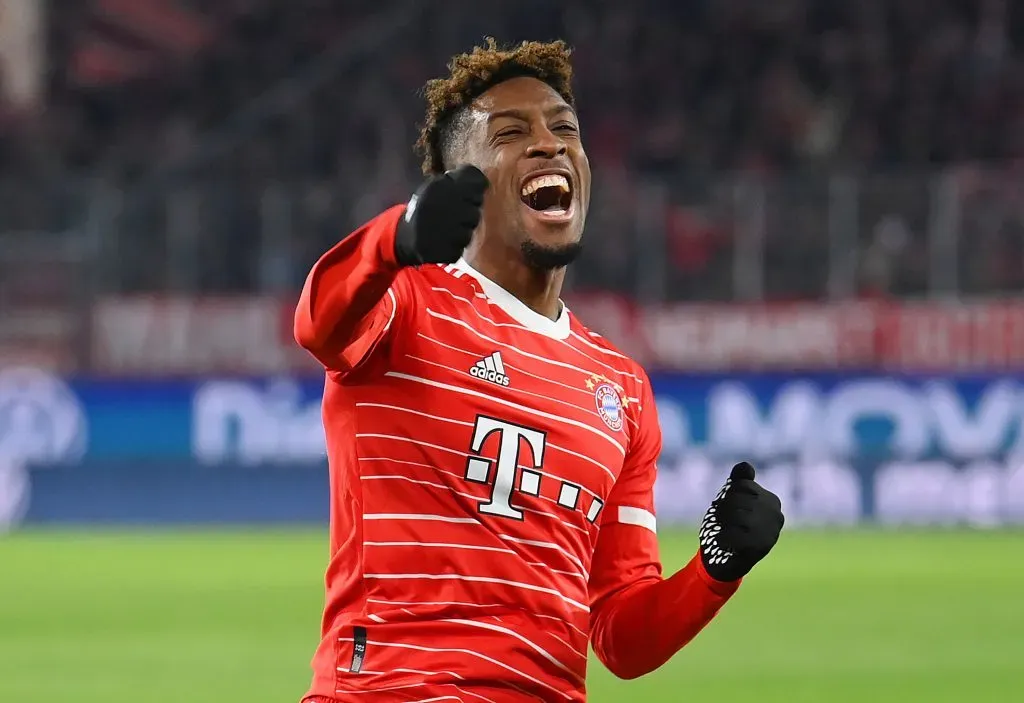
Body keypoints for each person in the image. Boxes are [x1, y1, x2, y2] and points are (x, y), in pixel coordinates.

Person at [294, 38, 784, 703]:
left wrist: (714, 571)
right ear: (455, 182)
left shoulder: (622, 389)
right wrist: (398, 236)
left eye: (565, 130)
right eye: (511, 132)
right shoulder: (407, 304)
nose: (550, 145)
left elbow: (621, 635)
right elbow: (318, 320)